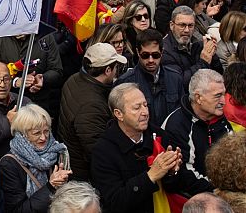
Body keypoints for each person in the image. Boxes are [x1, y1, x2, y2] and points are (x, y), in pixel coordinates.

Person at [91, 83, 210, 213]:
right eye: (137, 108)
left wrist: (172, 172)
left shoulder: (160, 135)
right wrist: (150, 176)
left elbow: (175, 186)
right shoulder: (103, 152)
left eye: (145, 105)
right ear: (119, 114)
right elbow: (114, 202)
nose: (145, 112)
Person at [57, 42, 126, 181]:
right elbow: (97, 151)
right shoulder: (92, 106)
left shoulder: (74, 79)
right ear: (107, 70)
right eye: (115, 67)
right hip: (82, 175)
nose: (116, 71)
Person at [162, 69, 232, 181]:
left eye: (224, 94)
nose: (223, 101)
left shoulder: (220, 118)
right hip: (192, 195)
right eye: (218, 96)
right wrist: (221, 189)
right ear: (198, 98)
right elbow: (184, 177)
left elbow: (234, 157)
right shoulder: (176, 125)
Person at [0, 104, 71, 213]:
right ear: (22, 134)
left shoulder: (57, 151)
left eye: (46, 131)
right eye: (36, 133)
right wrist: (50, 187)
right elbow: (17, 210)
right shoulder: (9, 164)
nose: (43, 137)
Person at [0, 32, 65, 119]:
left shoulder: (46, 36)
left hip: (38, 103)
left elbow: (57, 70)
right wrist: (15, 82)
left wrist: (42, 79)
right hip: (7, 105)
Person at [115, 29, 182, 127]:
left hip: (170, 138)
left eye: (155, 55)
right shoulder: (125, 82)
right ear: (138, 52)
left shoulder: (175, 78)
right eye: (145, 55)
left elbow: (181, 115)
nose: (150, 60)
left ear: (162, 52)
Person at [162, 5, 224, 90]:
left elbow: (219, 74)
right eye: (182, 25)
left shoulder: (199, 44)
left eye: (190, 25)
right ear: (172, 25)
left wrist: (212, 56)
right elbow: (179, 82)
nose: (187, 30)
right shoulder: (164, 50)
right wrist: (203, 62)